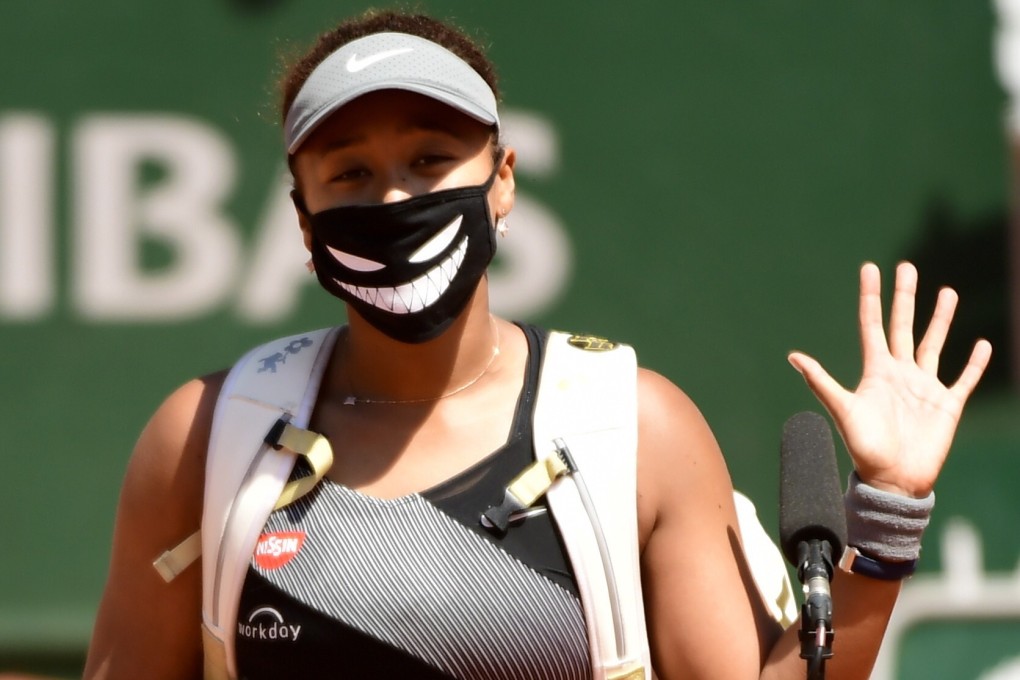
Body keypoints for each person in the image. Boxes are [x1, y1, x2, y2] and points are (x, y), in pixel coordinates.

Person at [81, 9, 992, 680]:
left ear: (503, 180)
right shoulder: (207, 437)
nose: (394, 201)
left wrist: (889, 514)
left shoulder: (636, 429)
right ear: (303, 216)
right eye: (350, 172)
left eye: (431, 158)